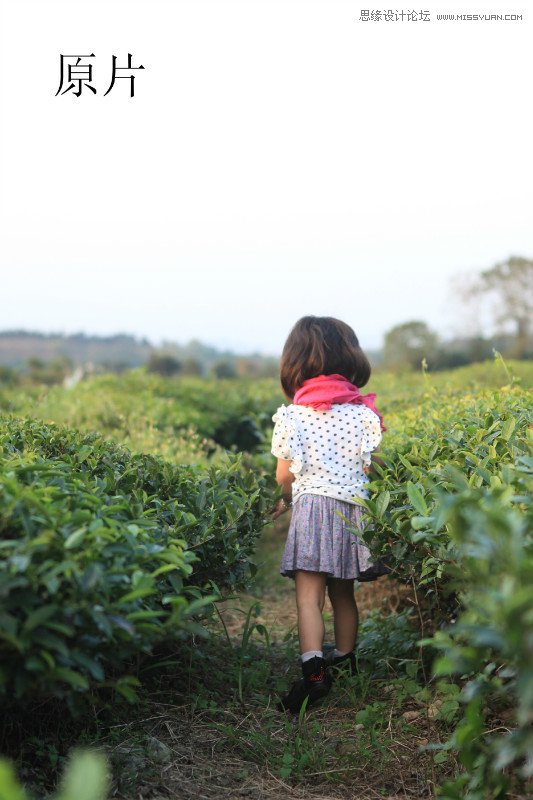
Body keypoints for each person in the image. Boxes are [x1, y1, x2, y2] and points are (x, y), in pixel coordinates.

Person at [270, 315, 388, 714]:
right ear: (351, 358)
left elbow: (285, 474)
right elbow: (372, 466)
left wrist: (281, 498)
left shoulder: (292, 416)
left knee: (308, 597)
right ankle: (346, 658)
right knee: (343, 593)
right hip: (351, 513)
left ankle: (315, 674)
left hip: (312, 510)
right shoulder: (363, 416)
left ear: (294, 363)